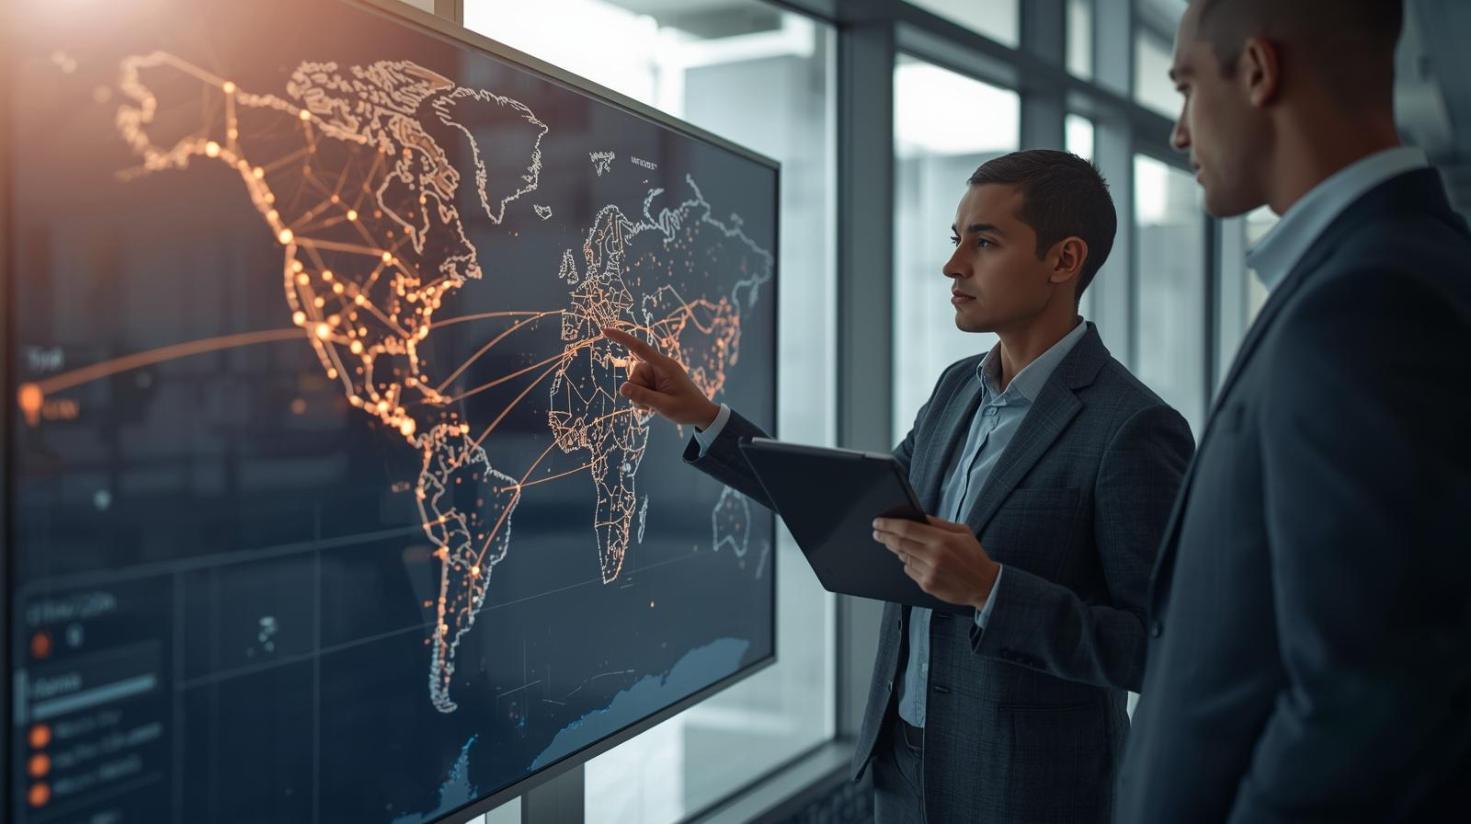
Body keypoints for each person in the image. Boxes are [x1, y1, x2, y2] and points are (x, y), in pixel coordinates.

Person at [605, 149, 1195, 822]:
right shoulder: (955, 388)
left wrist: (991, 589)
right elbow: (859, 512)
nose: (952, 266)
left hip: (1026, 793)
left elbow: (1164, 651)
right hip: (900, 765)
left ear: (1063, 261)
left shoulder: (1134, 428)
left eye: (984, 243)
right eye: (955, 241)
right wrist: (704, 417)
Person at [1116, 1, 1471, 820]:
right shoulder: (1395, 264)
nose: (1177, 132)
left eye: (1185, 86)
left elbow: (1372, 702)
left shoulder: (1369, 301)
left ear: (1256, 71)